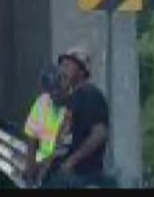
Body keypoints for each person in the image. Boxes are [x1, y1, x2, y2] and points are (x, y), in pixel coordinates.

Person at [43, 46, 114, 189]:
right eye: (62, 65)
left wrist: (71, 162)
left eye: (68, 66)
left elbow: (100, 134)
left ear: (82, 72)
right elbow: (64, 139)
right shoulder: (73, 99)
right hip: (63, 176)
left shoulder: (89, 94)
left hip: (80, 176)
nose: (62, 70)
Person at [22, 64, 69, 187]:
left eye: (58, 89)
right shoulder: (43, 102)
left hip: (61, 164)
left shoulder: (72, 108)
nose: (54, 93)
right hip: (43, 161)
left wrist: (42, 171)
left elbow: (61, 149)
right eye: (51, 90)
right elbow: (31, 136)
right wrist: (30, 165)